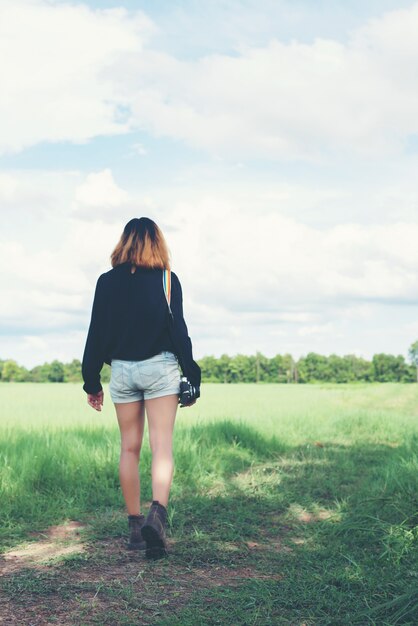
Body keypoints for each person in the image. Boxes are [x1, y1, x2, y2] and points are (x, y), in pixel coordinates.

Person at [81, 217, 201, 559]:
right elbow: (179, 332)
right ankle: (156, 518)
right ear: (157, 243)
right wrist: (193, 374)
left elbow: (96, 333)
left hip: (122, 371)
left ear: (125, 243)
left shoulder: (106, 283)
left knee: (129, 448)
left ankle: (135, 529)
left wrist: (92, 380)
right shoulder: (167, 280)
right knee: (161, 447)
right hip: (160, 369)